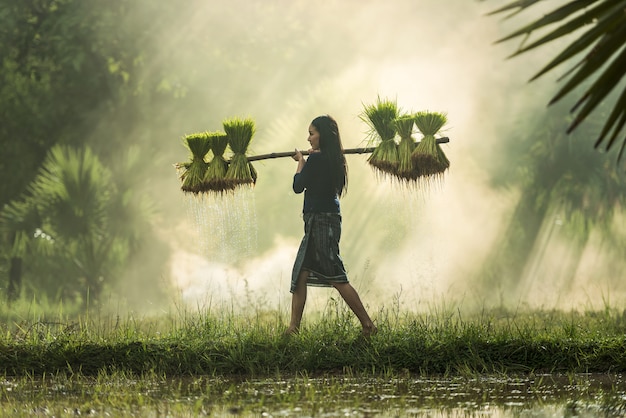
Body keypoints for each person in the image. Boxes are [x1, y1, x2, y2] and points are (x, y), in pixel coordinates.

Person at [285, 114, 377, 337]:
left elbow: (298, 186)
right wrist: (308, 161)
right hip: (325, 219)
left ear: (321, 136)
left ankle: (368, 326)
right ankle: (293, 330)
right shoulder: (333, 159)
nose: (308, 139)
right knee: (301, 273)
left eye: (311, 133)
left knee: (336, 275)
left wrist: (300, 162)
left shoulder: (316, 160)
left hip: (320, 221)